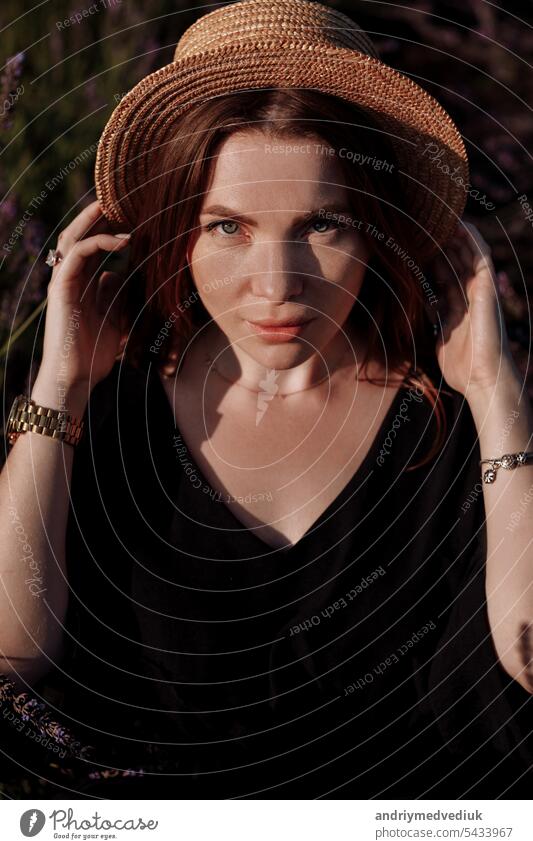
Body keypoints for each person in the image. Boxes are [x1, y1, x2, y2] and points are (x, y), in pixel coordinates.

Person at [1, 0, 533, 800]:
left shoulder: (463, 428)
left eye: (321, 224)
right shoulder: (97, 413)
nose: (277, 286)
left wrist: (497, 401)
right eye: (228, 228)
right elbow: (13, 649)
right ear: (175, 226)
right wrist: (59, 388)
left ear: (377, 229)